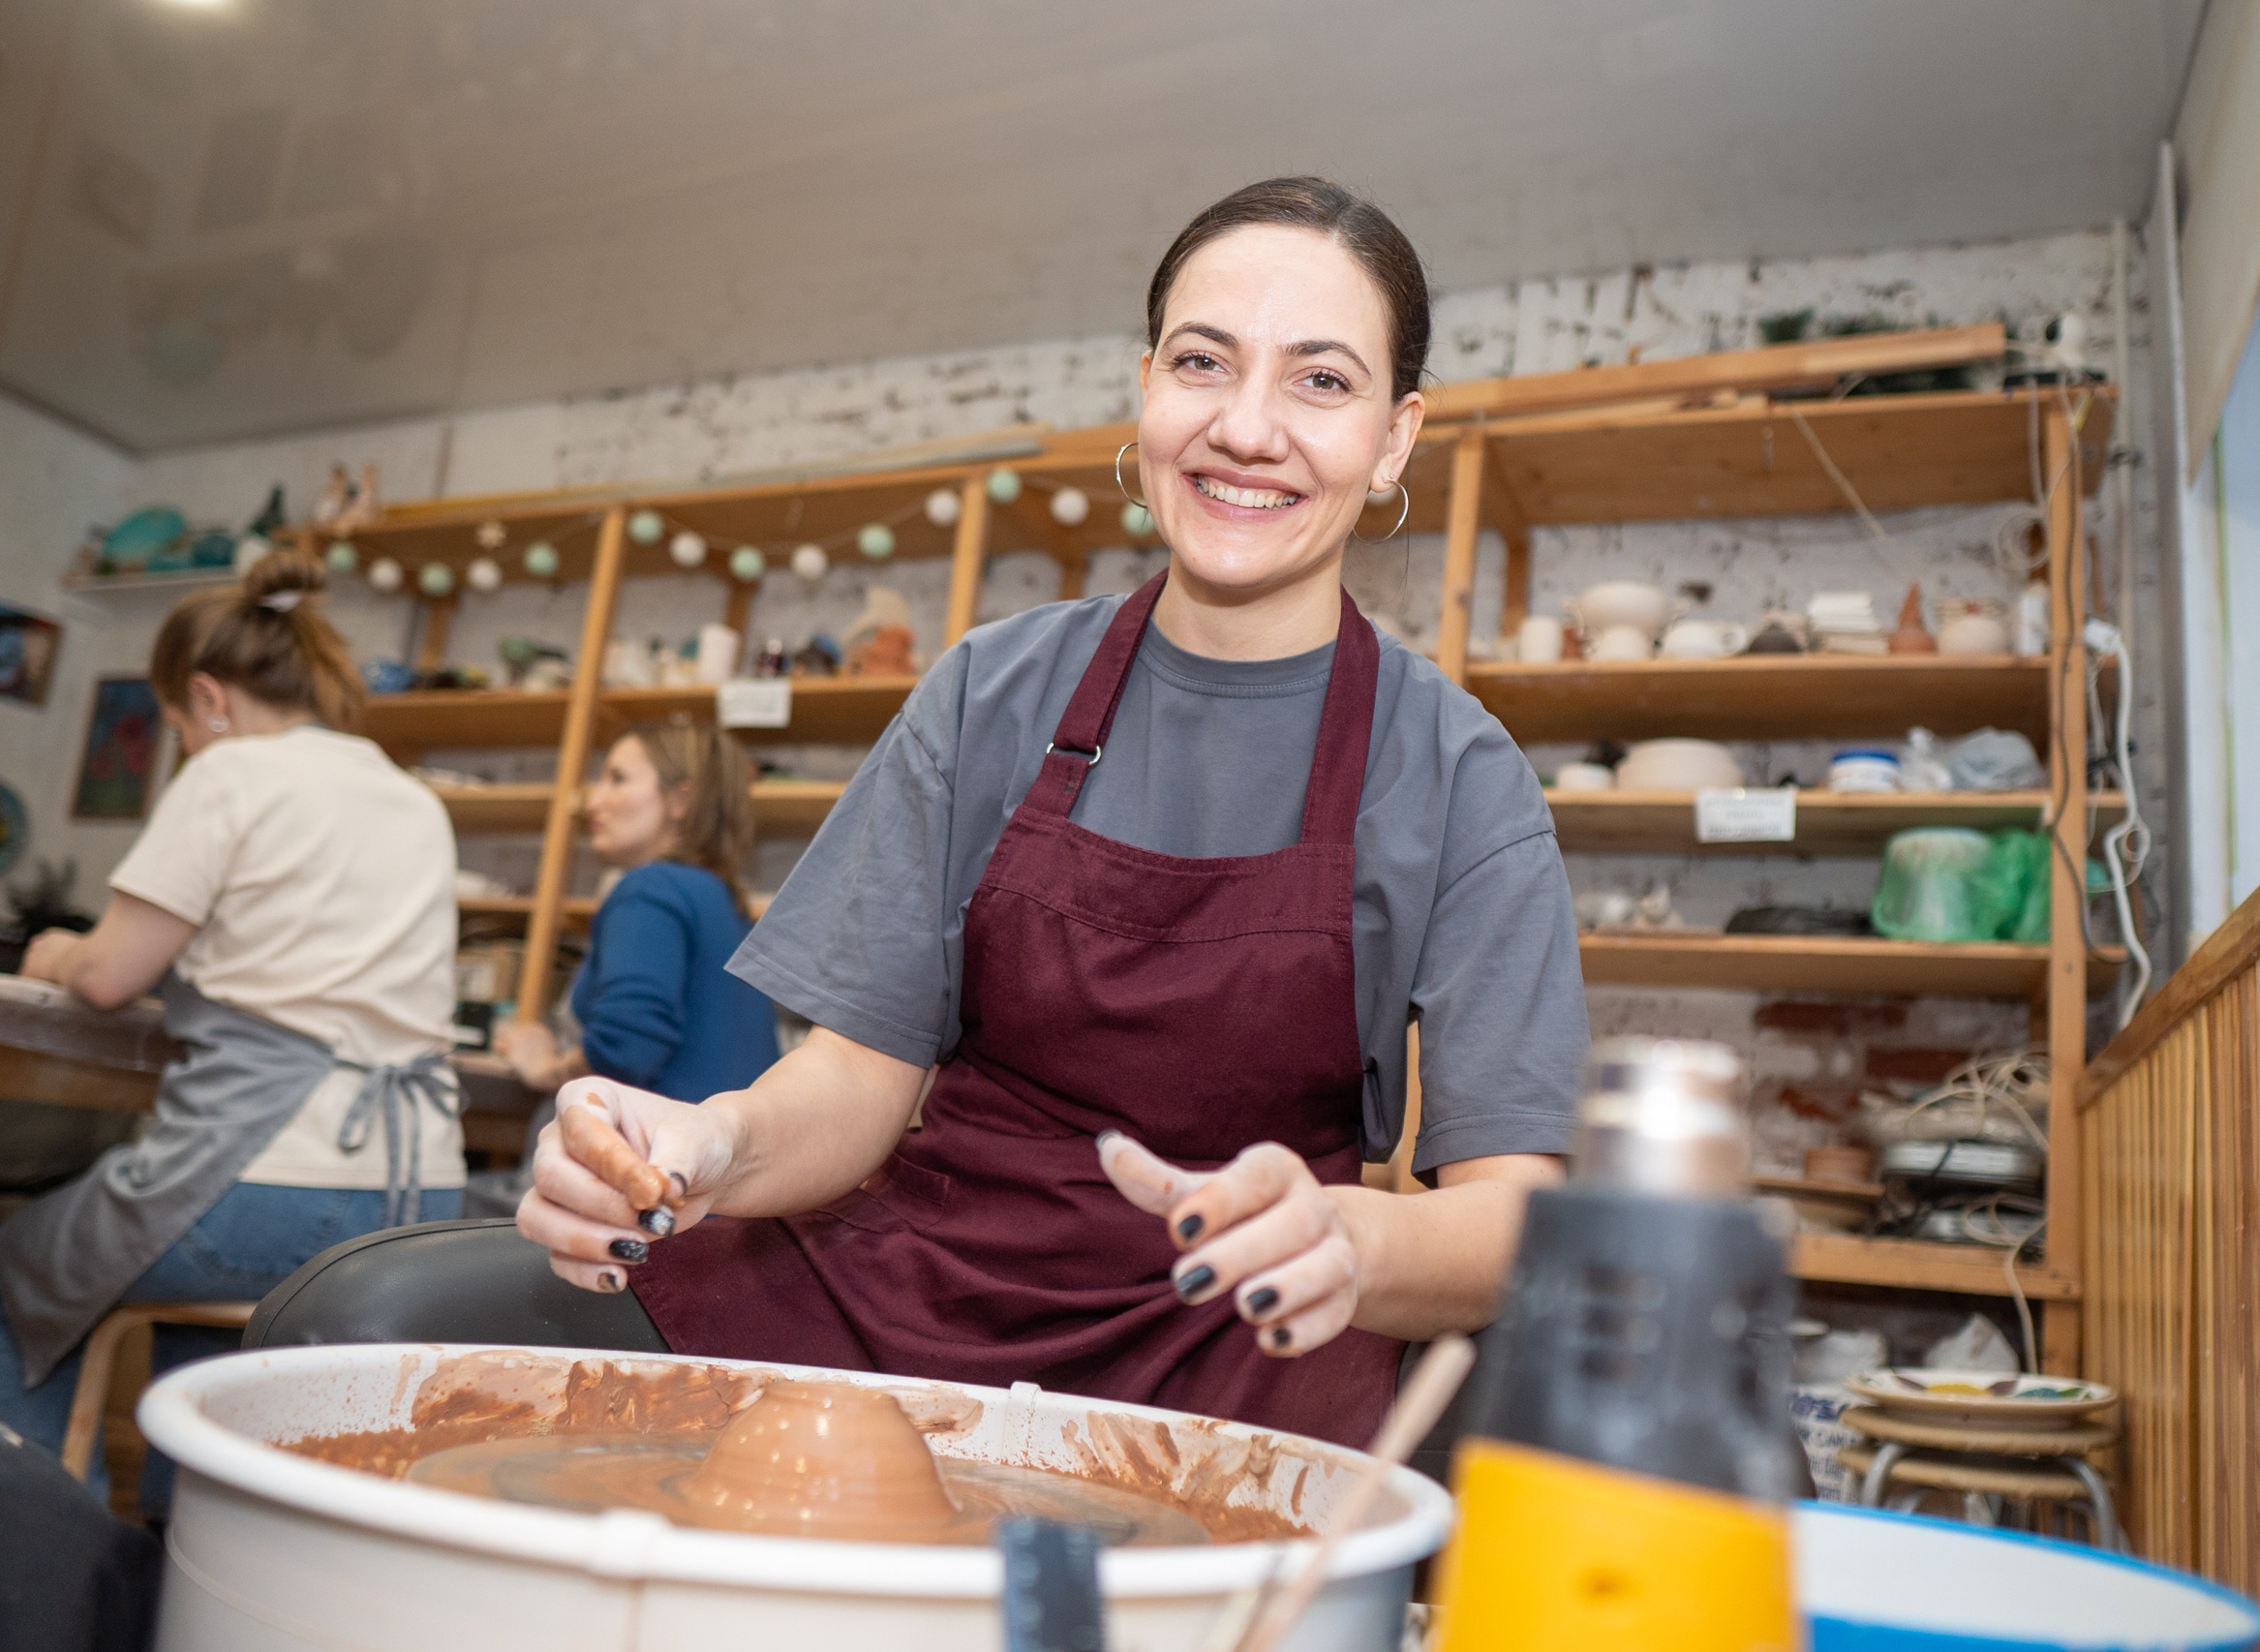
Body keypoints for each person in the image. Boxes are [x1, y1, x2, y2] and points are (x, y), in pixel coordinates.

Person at [518, 176, 1587, 1447]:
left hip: (1248, 1350)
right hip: (915, 1300)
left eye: (1320, 380)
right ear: (1147, 387)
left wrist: (1350, 1238)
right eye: (1203, 362)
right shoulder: (991, 688)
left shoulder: (1459, 771)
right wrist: (706, 1141)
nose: (1246, 428)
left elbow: (1512, 1216)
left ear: (1396, 436)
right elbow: (856, 1079)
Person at [0, 552, 465, 1484]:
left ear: (208, 698)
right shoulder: (413, 797)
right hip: (419, 1205)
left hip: (265, 1183)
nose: (185, 744)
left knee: (20, 1264)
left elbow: (109, 975)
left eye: (177, 724)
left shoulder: (233, 775)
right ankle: (180, 1532)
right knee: (209, 1329)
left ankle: (56, 1548)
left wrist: (55, 953)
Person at [494, 719, 779, 1099]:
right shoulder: (724, 899)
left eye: (618, 779)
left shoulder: (650, 888)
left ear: (680, 801)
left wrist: (542, 1067)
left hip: (653, 1133)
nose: (593, 802)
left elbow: (626, 1048)